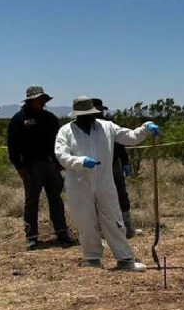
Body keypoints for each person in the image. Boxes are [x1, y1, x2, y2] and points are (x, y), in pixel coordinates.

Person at [55, 96, 159, 271]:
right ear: (77, 115)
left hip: (104, 182)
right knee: (86, 221)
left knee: (114, 219)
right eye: (85, 115)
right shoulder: (66, 131)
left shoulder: (107, 127)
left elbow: (130, 137)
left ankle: (125, 259)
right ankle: (92, 258)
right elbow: (61, 155)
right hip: (79, 183)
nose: (89, 118)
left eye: (91, 114)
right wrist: (79, 161)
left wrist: (145, 128)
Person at [7, 86, 75, 250]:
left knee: (56, 199)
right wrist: (19, 166)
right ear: (30, 101)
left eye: (43, 99)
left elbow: (58, 143)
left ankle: (62, 233)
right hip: (30, 167)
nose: (41, 102)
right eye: (38, 99)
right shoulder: (18, 119)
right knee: (31, 201)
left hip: (51, 165)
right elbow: (12, 145)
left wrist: (59, 162)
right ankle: (32, 237)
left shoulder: (50, 118)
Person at [92, 98, 136, 238]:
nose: (100, 112)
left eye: (101, 109)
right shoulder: (84, 127)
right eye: (97, 109)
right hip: (95, 167)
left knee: (121, 195)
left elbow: (120, 144)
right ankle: (102, 230)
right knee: (98, 197)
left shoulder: (110, 124)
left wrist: (125, 162)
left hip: (113, 163)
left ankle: (127, 228)